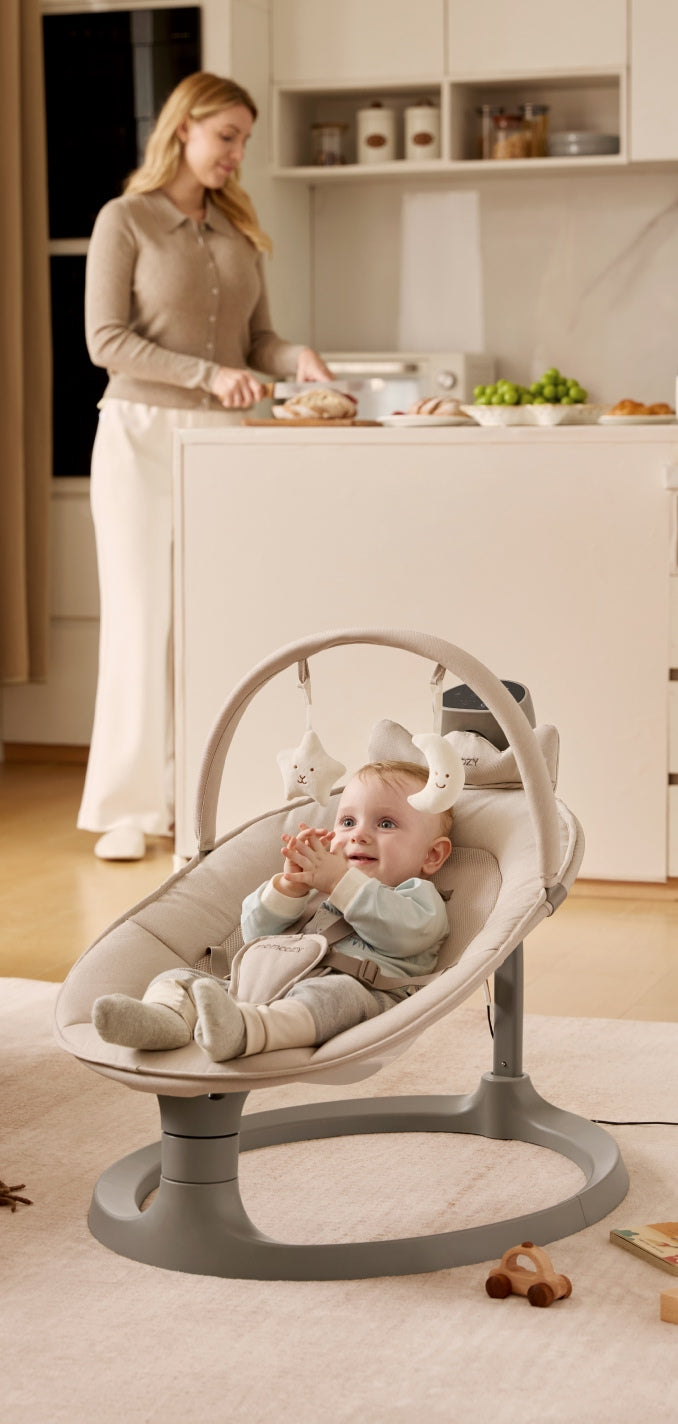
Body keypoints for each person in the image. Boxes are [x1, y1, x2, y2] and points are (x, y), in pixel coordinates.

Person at [77, 72, 332, 862]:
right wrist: (206, 375)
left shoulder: (238, 230)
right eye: (226, 136)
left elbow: (257, 343)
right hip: (141, 435)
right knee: (139, 617)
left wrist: (296, 357)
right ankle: (127, 809)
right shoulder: (125, 219)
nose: (236, 153)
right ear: (183, 127)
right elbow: (105, 340)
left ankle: (201, 800)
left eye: (244, 140)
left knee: (217, 617)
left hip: (224, 442)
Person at [92, 760, 454, 1058]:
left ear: (432, 855)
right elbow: (256, 935)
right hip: (263, 984)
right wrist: (289, 887)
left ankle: (247, 1031)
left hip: (358, 994)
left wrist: (340, 882)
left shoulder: (419, 897)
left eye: (386, 824)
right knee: (181, 978)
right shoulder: (320, 892)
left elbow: (405, 934)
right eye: (347, 822)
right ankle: (164, 1019)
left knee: (334, 997)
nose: (358, 835)